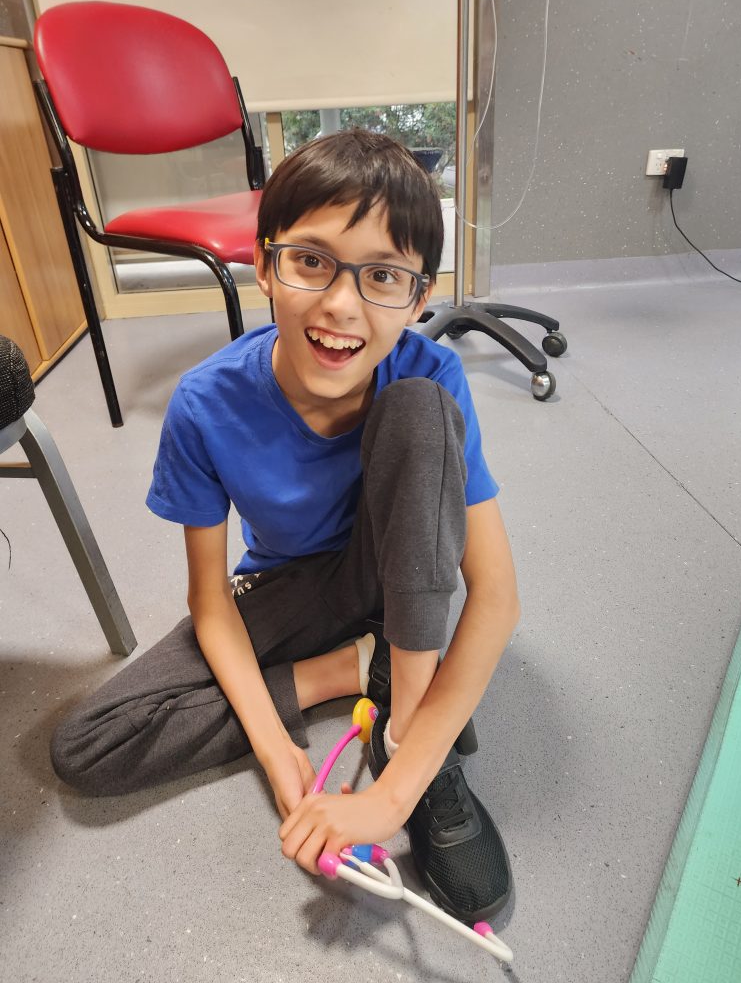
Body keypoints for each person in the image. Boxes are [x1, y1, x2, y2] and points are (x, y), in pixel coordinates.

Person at [50, 129, 521, 924]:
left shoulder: (426, 373)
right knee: (88, 745)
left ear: (416, 298)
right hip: (295, 590)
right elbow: (211, 602)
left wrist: (395, 788)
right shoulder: (205, 404)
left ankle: (410, 727)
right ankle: (353, 668)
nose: (341, 304)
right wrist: (275, 744)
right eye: (311, 262)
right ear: (265, 265)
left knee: (416, 415)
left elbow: (497, 596)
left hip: (405, 574)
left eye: (381, 277)